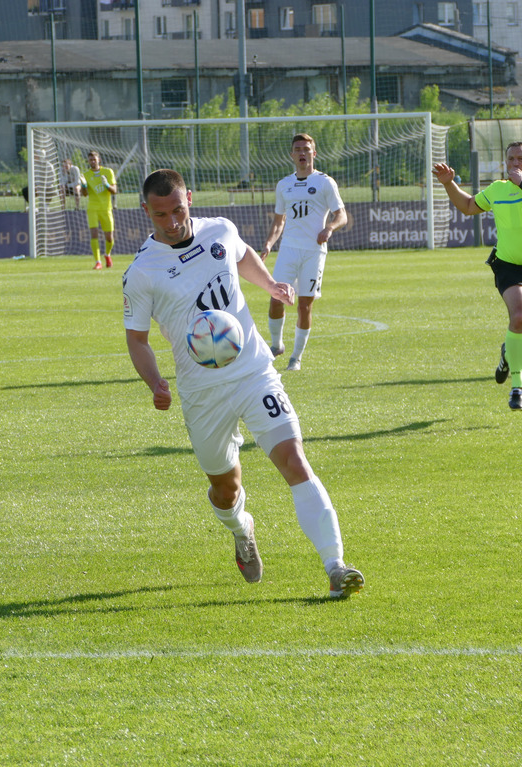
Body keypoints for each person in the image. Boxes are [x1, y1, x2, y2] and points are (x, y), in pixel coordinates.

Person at [123, 168, 364, 599]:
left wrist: (270, 283)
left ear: (190, 199)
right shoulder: (142, 272)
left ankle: (335, 565)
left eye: (177, 209)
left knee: (294, 459)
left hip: (254, 371)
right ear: (146, 211)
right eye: (160, 214)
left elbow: (242, 253)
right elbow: (136, 339)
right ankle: (241, 528)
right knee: (225, 486)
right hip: (202, 393)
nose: (172, 220)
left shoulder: (220, 230)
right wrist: (155, 381)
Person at [432, 142, 522, 411]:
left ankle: (507, 356)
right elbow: (468, 206)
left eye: (521, 159)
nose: (515, 163)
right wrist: (448, 184)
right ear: (505, 162)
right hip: (507, 265)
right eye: (511, 159)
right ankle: (518, 386)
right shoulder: (497, 189)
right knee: (519, 318)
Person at [260, 133, 347, 372]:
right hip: (288, 249)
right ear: (291, 155)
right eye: (297, 149)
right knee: (276, 296)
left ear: (314, 154)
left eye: (306, 149)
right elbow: (279, 221)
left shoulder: (325, 182)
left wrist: (329, 228)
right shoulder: (284, 184)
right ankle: (276, 345)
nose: (302, 153)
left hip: (313, 251)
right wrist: (268, 244)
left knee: (304, 305)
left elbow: (342, 215)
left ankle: (295, 358)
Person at [82, 150, 117, 270]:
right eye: (90, 159)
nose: (92, 161)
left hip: (106, 208)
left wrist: (107, 184)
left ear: (99, 160)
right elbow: (85, 194)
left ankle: (107, 255)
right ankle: (98, 262)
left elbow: (114, 190)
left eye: (94, 159)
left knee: (109, 237)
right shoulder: (86, 174)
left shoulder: (107, 172)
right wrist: (83, 186)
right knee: (94, 234)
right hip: (92, 208)